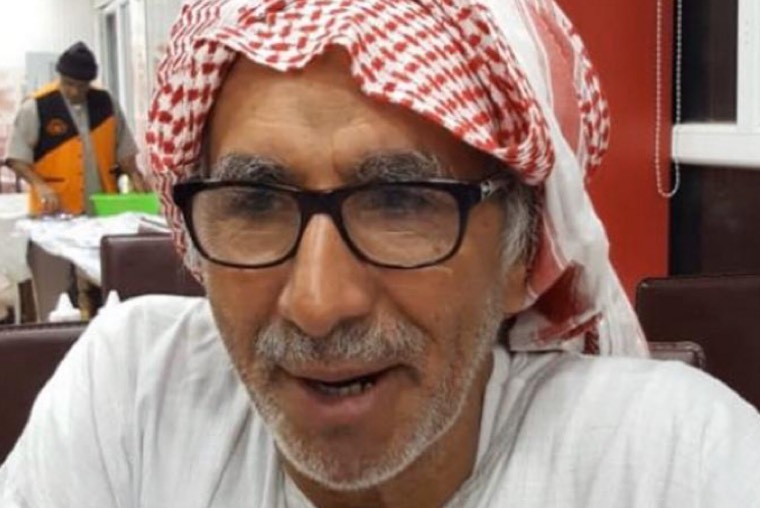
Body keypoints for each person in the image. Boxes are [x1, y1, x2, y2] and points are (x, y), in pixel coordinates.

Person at [2, 1, 759, 506]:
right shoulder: (132, 398)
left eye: (400, 202)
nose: (317, 304)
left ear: (521, 252)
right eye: (255, 203)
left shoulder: (672, 462)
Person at [4, 41, 147, 216]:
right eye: (68, 83)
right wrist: (39, 185)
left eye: (81, 86)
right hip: (53, 212)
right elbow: (16, 158)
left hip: (103, 210)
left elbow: (125, 154)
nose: (74, 91)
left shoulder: (106, 103)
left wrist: (135, 176)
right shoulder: (36, 106)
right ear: (59, 76)